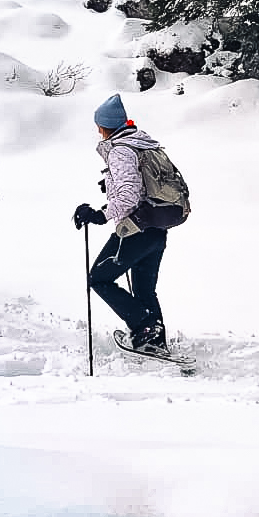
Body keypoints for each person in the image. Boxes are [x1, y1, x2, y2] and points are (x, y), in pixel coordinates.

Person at [72, 94, 173, 355]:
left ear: (106, 127)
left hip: (135, 229)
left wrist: (100, 214)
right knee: (144, 288)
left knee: (98, 279)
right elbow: (140, 185)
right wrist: (111, 185)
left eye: (99, 126)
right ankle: (154, 342)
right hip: (156, 227)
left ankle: (145, 326)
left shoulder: (121, 151)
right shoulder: (142, 144)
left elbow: (130, 195)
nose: (98, 131)